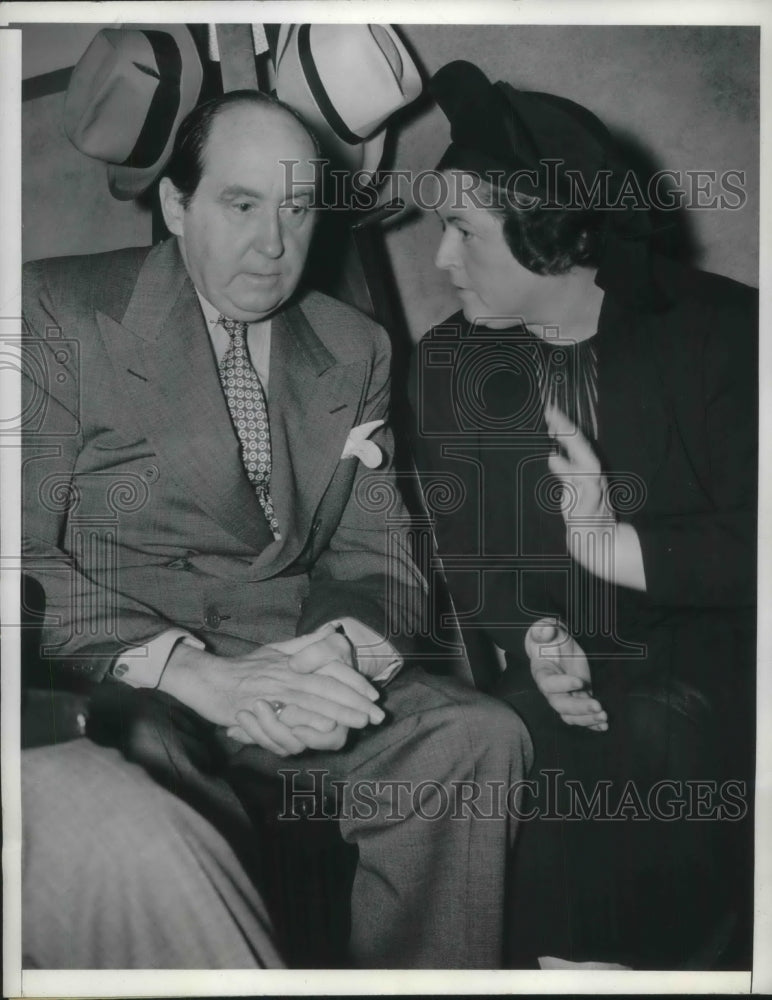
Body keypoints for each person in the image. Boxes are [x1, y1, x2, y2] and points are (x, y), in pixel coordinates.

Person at [20, 89, 532, 969]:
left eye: (296, 208)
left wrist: (335, 655)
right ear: (177, 206)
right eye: (242, 204)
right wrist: (201, 676)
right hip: (137, 683)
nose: (274, 244)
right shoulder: (58, 311)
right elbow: (16, 558)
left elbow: (382, 556)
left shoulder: (356, 344)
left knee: (478, 737)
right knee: (141, 784)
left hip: (298, 667)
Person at [410, 61, 756, 969]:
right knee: (514, 762)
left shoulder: (726, 332)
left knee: (661, 738)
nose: (439, 259)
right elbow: (470, 555)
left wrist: (612, 545)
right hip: (564, 673)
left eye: (460, 230)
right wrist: (532, 636)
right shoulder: (446, 365)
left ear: (546, 231)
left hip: (726, 663)